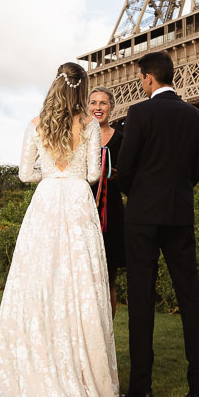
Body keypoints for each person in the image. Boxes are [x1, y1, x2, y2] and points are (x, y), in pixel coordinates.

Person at [0, 62, 157, 397]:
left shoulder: (36, 124)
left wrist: (51, 174)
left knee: (40, 280)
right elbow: (96, 174)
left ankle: (39, 358)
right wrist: (73, 174)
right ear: (83, 91)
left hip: (47, 200)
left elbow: (24, 174)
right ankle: (84, 371)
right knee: (81, 282)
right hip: (79, 202)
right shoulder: (91, 125)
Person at [118, 50, 199, 397]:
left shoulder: (139, 113)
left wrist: (137, 195)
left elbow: (124, 168)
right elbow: (196, 172)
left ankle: (142, 388)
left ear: (148, 78)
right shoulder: (197, 118)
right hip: (180, 214)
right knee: (191, 298)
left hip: (142, 216)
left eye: (141, 78)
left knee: (141, 300)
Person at [88, 86, 124, 318]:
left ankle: (107, 335)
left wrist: (113, 173)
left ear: (111, 107)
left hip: (110, 208)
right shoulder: (79, 137)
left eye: (103, 103)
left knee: (108, 275)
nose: (98, 108)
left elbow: (129, 173)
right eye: (93, 103)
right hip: (84, 205)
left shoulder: (122, 138)